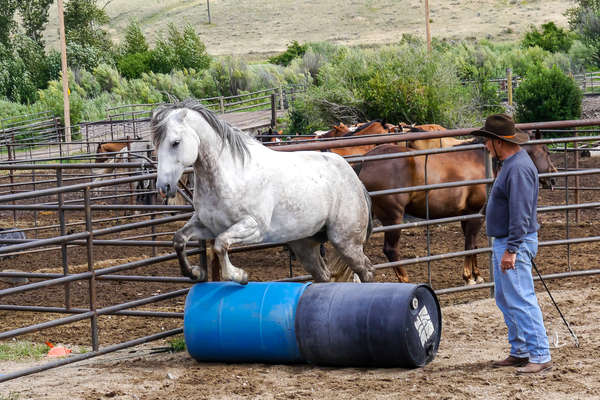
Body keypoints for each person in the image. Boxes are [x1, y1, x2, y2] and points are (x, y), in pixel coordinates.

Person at [472, 114, 552, 374]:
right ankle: (520, 350)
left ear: (498, 142)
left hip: (512, 242)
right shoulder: (511, 164)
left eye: (487, 141)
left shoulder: (517, 168)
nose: (484, 146)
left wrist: (512, 249)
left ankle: (539, 354)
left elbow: (520, 213)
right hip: (508, 241)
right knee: (507, 298)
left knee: (520, 298)